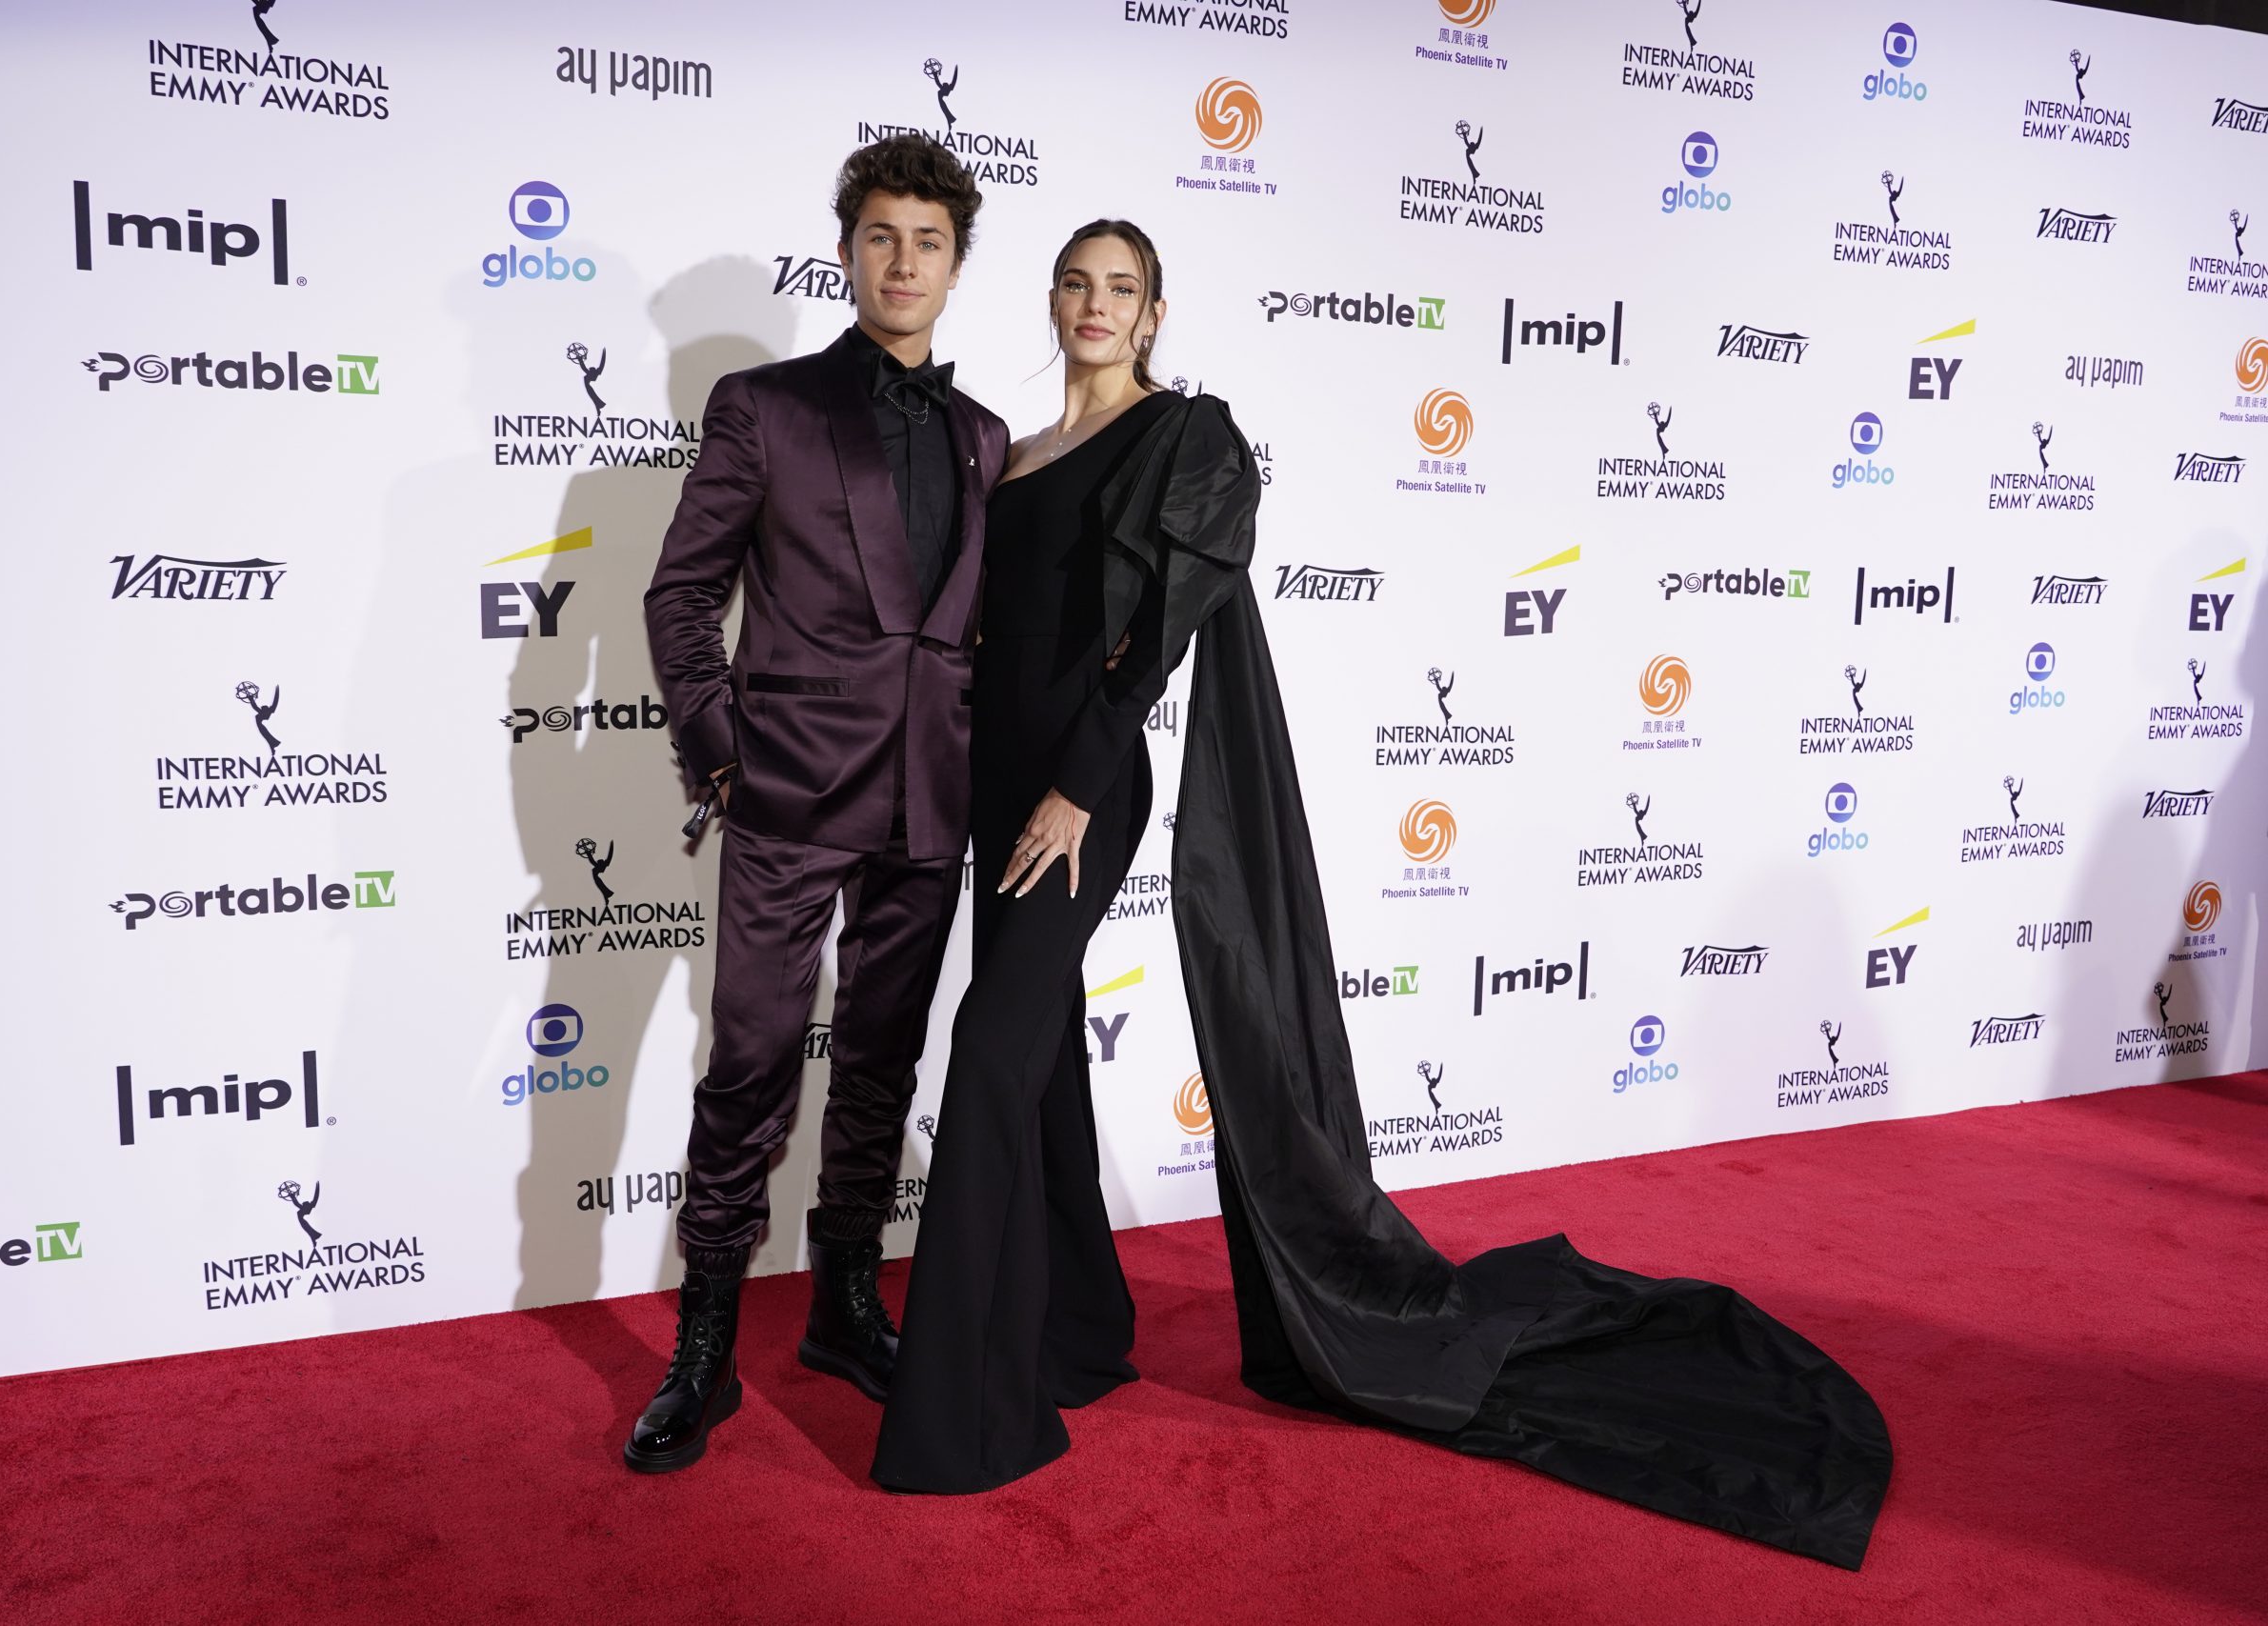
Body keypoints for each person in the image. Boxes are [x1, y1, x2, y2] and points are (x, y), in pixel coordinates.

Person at [873, 220, 1893, 1572]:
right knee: (1043, 1055)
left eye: (1123, 288)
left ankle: (967, 1413)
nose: (1097, 304)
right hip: (992, 786)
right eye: (1078, 283)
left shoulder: (1183, 436)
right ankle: (1074, 1331)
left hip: (1077, 792)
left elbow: (1150, 646)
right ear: (1051, 300)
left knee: (991, 1050)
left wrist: (1075, 787)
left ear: (1155, 313)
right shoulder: (1016, 453)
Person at [631, 134, 1006, 1474]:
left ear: (956, 267)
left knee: (883, 1064)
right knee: (748, 1067)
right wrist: (722, 756)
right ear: (846, 253)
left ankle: (845, 1308)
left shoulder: (983, 437)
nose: (904, 264)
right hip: (789, 792)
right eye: (882, 237)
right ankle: (705, 1350)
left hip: (931, 802)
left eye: (929, 243)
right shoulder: (765, 406)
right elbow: (681, 594)